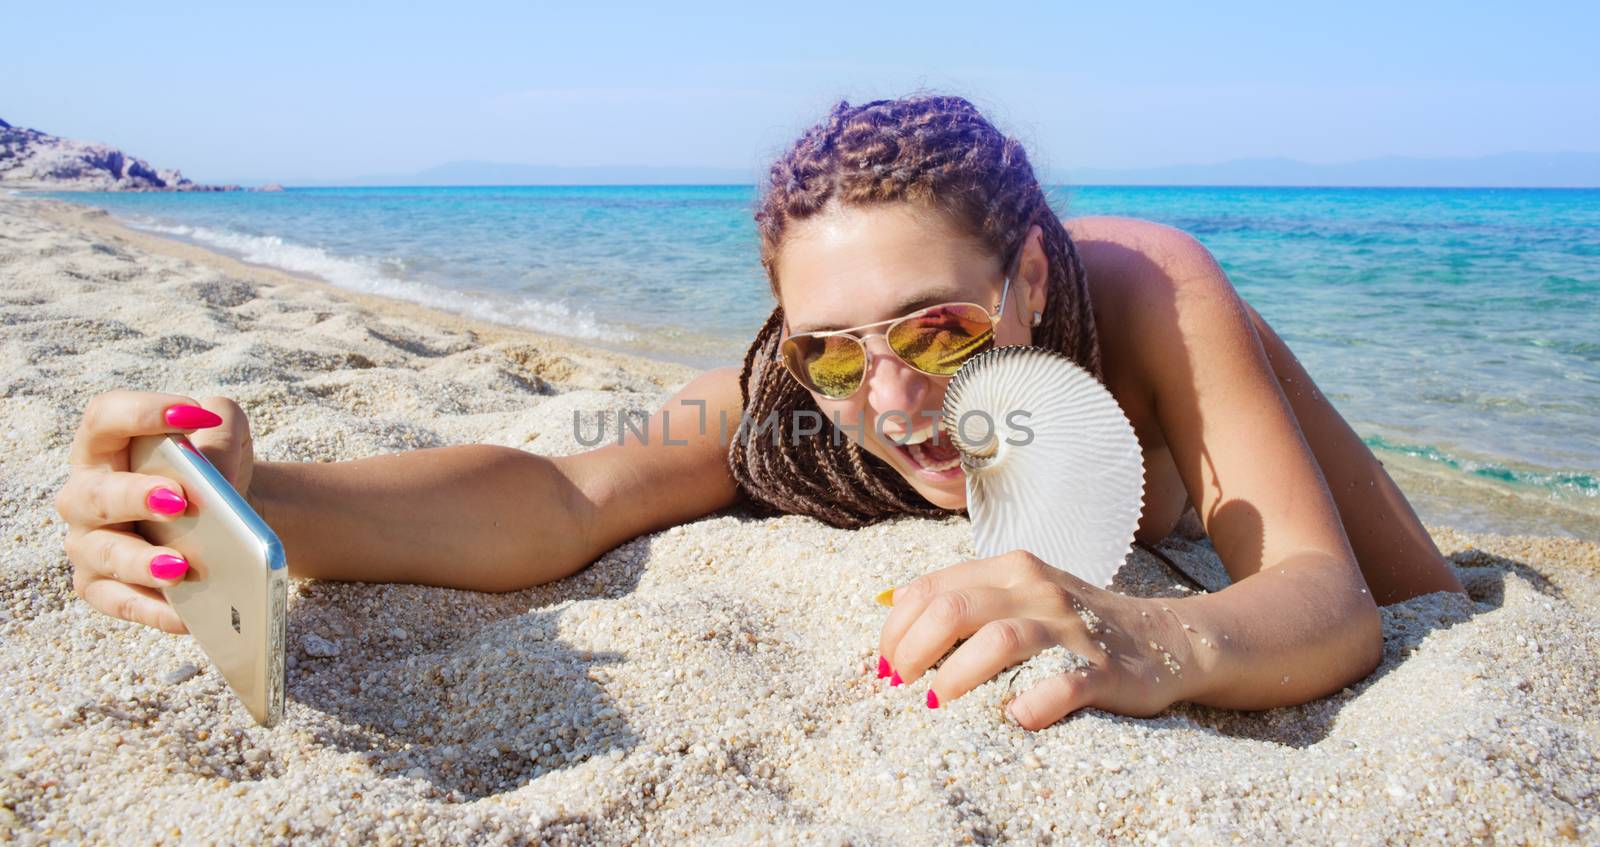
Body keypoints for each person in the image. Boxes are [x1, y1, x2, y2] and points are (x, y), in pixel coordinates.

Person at [54, 95, 1466, 730]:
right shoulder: (795, 394)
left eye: (940, 329)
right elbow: (565, 499)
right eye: (841, 348)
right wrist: (261, 503)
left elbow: (1334, 601)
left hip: (1269, 463)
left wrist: (1149, 631)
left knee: (1434, 590)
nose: (899, 399)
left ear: (1027, 275)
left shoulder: (1134, 288)